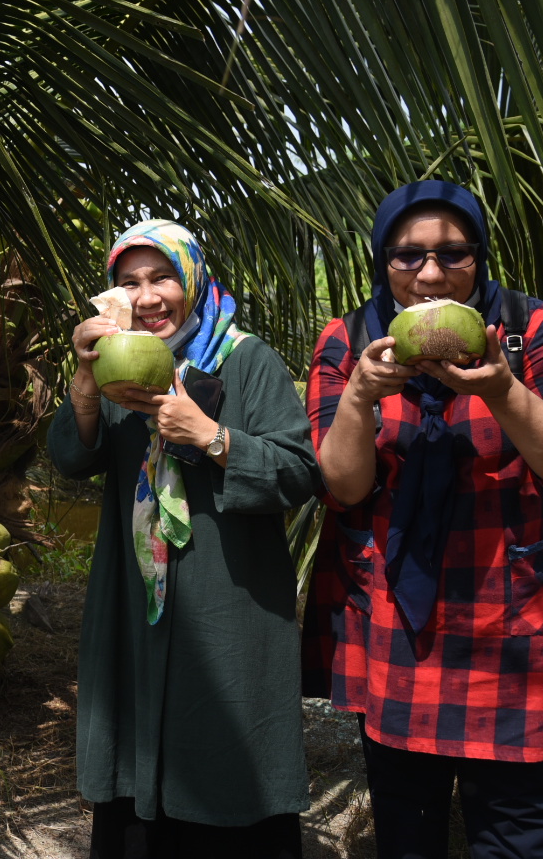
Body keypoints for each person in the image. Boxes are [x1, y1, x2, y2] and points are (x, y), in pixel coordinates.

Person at [302, 181, 543, 859]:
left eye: (453, 253)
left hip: (512, 627)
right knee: (406, 827)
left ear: (479, 256)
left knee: (524, 834)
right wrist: (359, 396)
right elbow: (342, 487)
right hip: (396, 630)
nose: (430, 274)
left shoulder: (531, 330)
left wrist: (504, 389)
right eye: (407, 255)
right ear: (383, 260)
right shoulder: (350, 339)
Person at [47, 219, 321, 859]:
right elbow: (71, 458)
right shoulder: (120, 363)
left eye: (162, 277)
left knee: (228, 750)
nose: (146, 298)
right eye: (129, 283)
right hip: (136, 598)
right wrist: (85, 383)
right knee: (136, 763)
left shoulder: (245, 358)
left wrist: (211, 437)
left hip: (229, 599)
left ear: (192, 278)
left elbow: (299, 472)